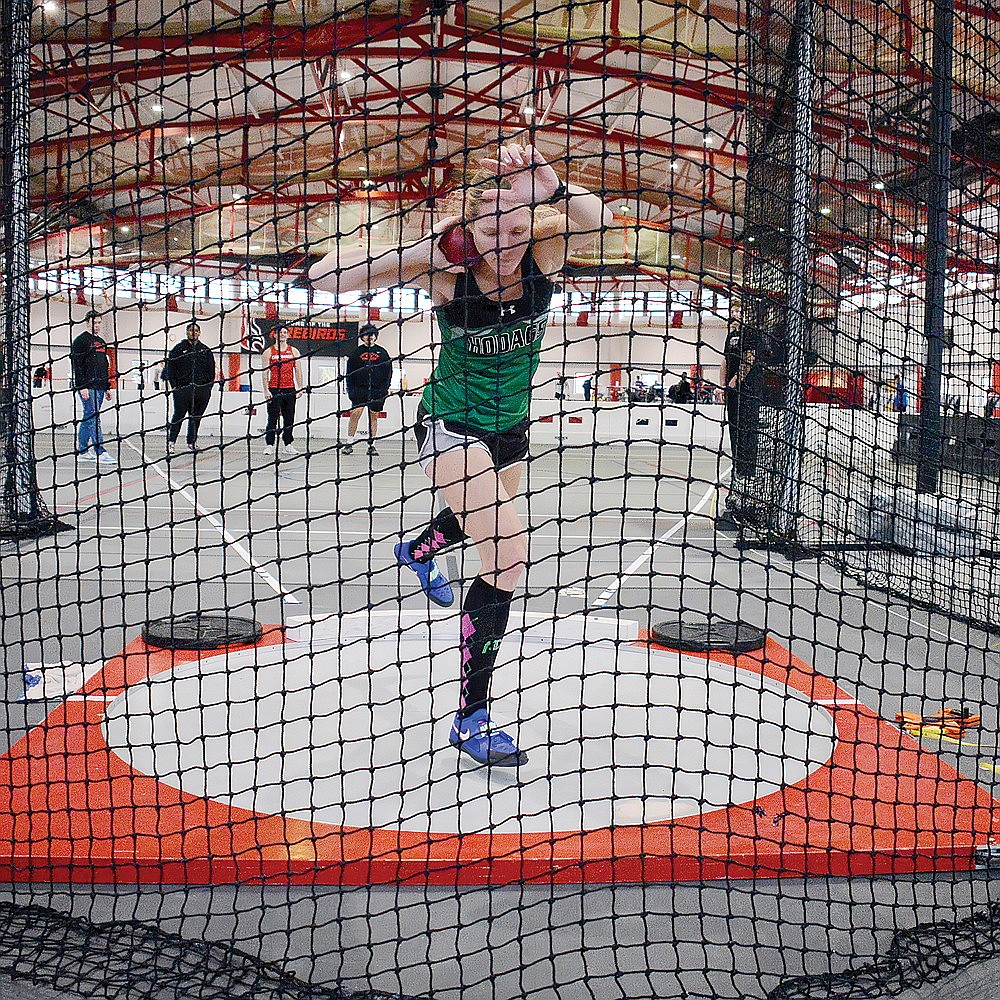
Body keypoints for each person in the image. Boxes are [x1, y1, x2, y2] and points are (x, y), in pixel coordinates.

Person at [309, 141, 613, 767]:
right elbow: (343, 273)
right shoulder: (446, 271)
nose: (504, 243)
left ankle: (418, 551)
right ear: (468, 232)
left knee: (487, 526)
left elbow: (599, 220)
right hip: (449, 423)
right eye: (491, 230)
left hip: (511, 428)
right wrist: (400, 255)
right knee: (507, 553)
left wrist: (550, 182)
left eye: (515, 228)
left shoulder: (543, 254)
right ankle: (472, 717)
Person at [163, 321, 216, 455]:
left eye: (196, 331)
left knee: (196, 417)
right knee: (178, 416)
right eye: (191, 330)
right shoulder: (178, 349)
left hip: (201, 390)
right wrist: (175, 386)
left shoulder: (205, 350)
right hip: (183, 390)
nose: (194, 333)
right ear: (187, 332)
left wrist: (207, 388)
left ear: (199, 333)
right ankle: (171, 442)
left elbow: (211, 370)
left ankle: (191, 442)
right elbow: (170, 369)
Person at [69, 310, 114, 465]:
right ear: (87, 322)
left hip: (101, 386)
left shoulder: (101, 341)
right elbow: (77, 365)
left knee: (89, 417)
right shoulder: (80, 341)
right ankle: (100, 451)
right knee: (93, 416)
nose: (97, 326)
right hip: (88, 386)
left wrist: (107, 386)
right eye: (94, 323)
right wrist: (82, 386)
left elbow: (105, 365)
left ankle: (82, 451)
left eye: (99, 323)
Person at [342, 324, 393, 457]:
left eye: (371, 334)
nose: (369, 337)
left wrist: (384, 389)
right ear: (362, 337)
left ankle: (371, 446)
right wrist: (351, 390)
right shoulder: (356, 353)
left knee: (373, 416)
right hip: (359, 390)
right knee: (355, 414)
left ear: (375, 336)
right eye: (366, 334)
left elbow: (388, 372)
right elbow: (349, 373)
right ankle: (349, 443)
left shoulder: (382, 353)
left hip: (377, 391)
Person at [261, 324, 303, 457]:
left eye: (285, 332)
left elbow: (298, 371)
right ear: (275, 335)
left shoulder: (294, 351)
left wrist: (300, 388)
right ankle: (270, 445)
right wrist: (266, 390)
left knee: (289, 418)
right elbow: (264, 373)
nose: (282, 334)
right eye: (280, 332)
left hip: (289, 389)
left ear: (288, 335)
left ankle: (288, 444)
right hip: (274, 389)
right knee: (272, 418)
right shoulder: (268, 352)